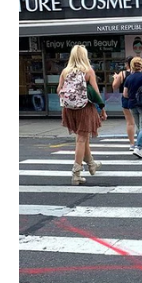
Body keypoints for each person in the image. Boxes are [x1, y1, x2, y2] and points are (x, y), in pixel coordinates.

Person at [57, 44, 107, 185]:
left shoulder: (65, 72)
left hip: (69, 110)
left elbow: (58, 90)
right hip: (85, 109)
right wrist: (102, 110)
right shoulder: (88, 71)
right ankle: (76, 173)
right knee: (81, 138)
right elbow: (96, 93)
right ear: (84, 56)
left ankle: (91, 164)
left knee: (83, 137)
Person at [112, 56, 137, 150]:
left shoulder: (122, 74)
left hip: (126, 99)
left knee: (130, 123)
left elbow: (115, 86)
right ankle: (141, 143)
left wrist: (115, 78)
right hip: (139, 99)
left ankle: (132, 144)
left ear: (127, 64)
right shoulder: (140, 73)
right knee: (140, 122)